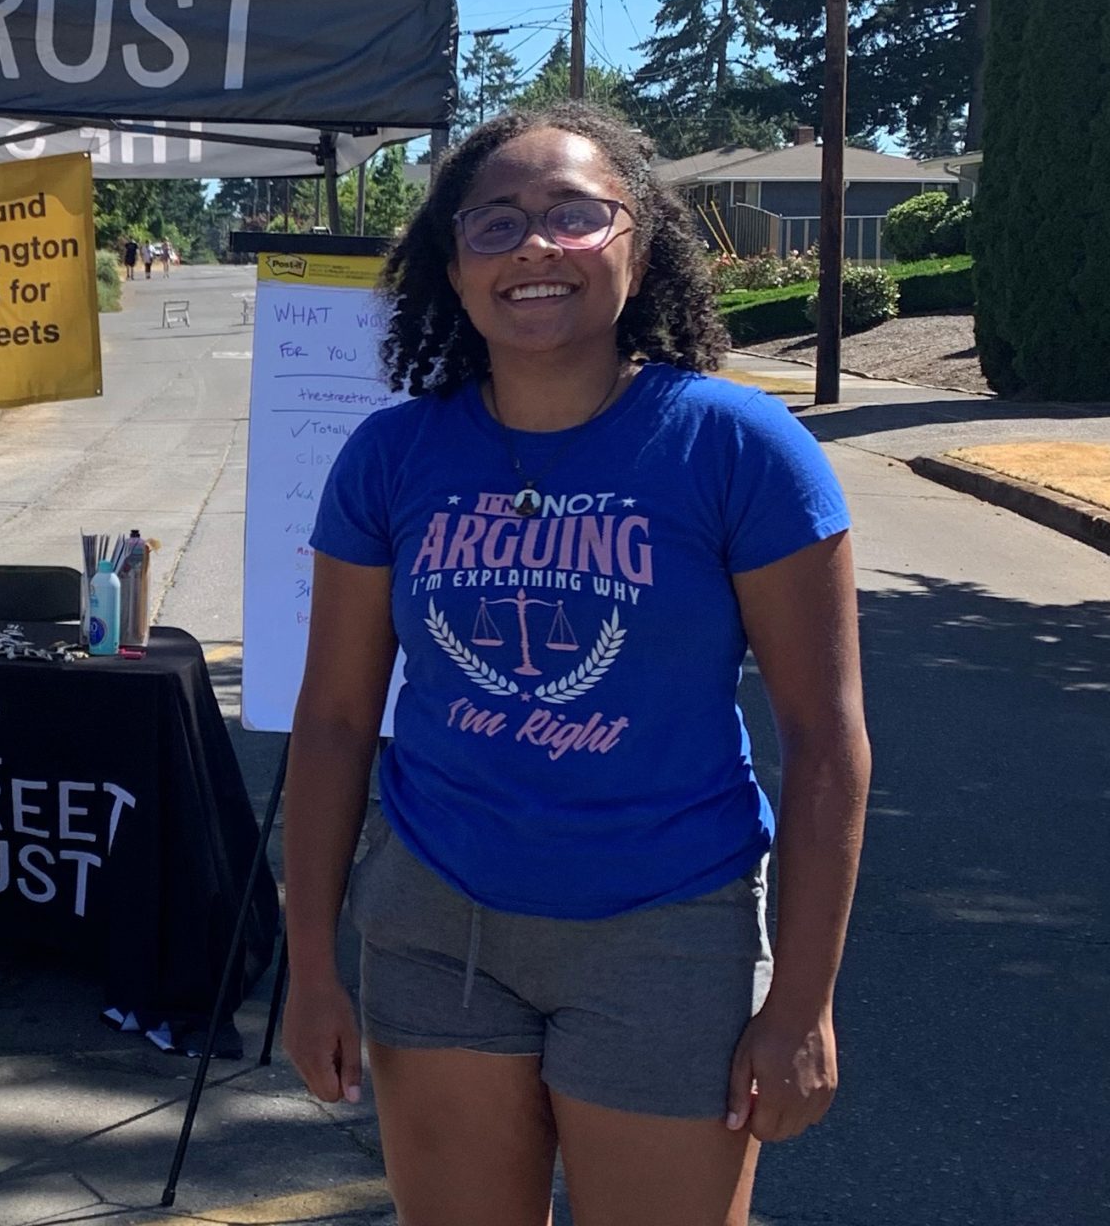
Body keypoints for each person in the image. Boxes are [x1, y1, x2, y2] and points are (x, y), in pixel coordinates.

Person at [281, 103, 868, 1226]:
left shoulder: (738, 450)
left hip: (666, 929)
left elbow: (824, 736)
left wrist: (800, 1005)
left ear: (636, 246)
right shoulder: (390, 457)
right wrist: (311, 964)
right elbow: (337, 722)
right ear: (451, 271)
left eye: (573, 215)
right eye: (492, 224)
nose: (534, 246)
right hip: (431, 924)